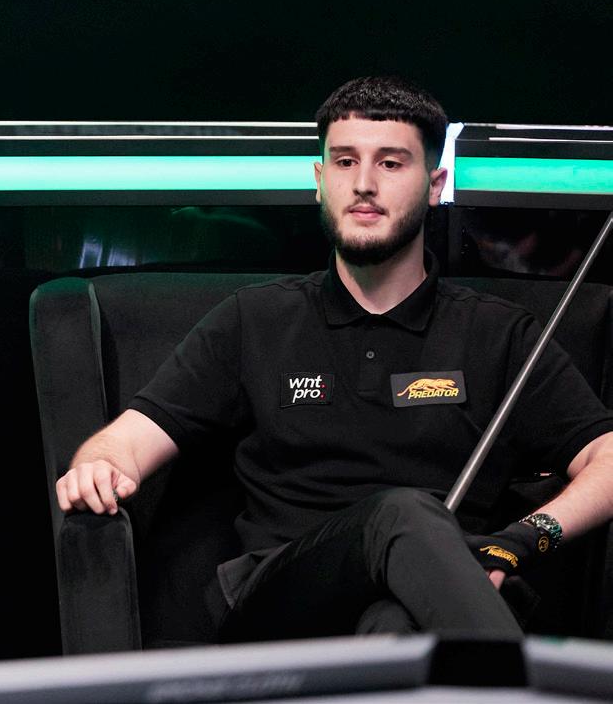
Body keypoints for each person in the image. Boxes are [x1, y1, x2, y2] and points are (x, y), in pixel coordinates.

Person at [56, 76, 613, 640]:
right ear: (320, 181)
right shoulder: (254, 320)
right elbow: (124, 443)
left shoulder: (498, 333)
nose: (364, 184)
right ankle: (513, 681)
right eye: (345, 162)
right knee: (401, 514)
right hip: (281, 606)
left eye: (391, 163)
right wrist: (100, 465)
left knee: (394, 621)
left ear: (435, 185)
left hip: (434, 603)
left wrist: (527, 537)